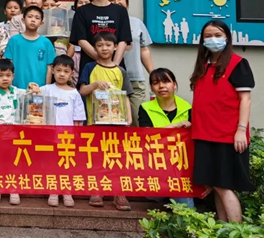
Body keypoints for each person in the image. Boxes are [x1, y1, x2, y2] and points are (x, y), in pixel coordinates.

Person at [190, 21, 254, 223]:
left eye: (217, 35)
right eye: (208, 36)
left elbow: (245, 99)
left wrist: (241, 130)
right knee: (216, 185)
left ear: (227, 37)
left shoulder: (237, 63)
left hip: (226, 135)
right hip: (204, 134)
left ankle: (237, 231)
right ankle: (223, 229)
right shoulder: (204, 65)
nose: (213, 40)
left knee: (223, 185)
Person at [78, 32, 133, 211]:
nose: (104, 48)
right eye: (100, 45)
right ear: (95, 48)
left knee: (117, 157)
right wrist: (95, 85)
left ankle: (119, 193)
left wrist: (129, 117)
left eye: (108, 45)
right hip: (95, 122)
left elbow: (125, 96)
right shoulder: (89, 67)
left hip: (117, 122)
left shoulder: (120, 71)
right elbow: (82, 91)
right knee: (96, 156)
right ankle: (97, 190)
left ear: (115, 47)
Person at [30, 55, 86, 208]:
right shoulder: (46, 89)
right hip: (49, 136)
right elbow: (32, 96)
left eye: (66, 71)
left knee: (67, 164)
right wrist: (32, 87)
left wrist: (77, 137)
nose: (62, 74)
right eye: (59, 70)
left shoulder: (74, 94)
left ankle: (67, 192)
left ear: (71, 73)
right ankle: (53, 191)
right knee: (51, 163)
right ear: (52, 70)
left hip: (67, 137)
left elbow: (78, 118)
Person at [138, 68, 194, 208]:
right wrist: (176, 126)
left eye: (166, 81)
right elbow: (148, 136)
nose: (161, 86)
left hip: (180, 166)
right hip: (155, 164)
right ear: (151, 87)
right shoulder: (145, 108)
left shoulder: (187, 108)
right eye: (156, 83)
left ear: (174, 85)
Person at [70, 0, 132, 76]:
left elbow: (123, 40)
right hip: (90, 66)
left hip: (116, 67)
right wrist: (104, 63)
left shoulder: (120, 11)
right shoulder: (81, 11)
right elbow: (81, 40)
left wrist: (114, 65)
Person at [108, 0, 154, 122]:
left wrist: (153, 73)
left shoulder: (136, 23)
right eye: (111, 0)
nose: (116, 2)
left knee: (137, 119)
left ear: (127, 2)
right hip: (110, 79)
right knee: (111, 118)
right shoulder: (104, 23)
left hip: (134, 79)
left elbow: (144, 49)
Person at [0, 59, 25, 206]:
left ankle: (13, 189)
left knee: (14, 162)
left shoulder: (16, 91)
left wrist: (33, 87)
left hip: (15, 135)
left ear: (13, 76)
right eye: (1, 75)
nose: (5, 79)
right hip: (1, 135)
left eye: (8, 75)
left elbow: (29, 92)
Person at [4, 6, 55, 89]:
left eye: (37, 18)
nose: (33, 20)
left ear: (41, 23)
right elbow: (9, 64)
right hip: (16, 87)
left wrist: (47, 89)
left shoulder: (46, 42)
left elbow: (49, 67)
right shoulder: (14, 40)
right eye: (30, 16)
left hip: (39, 88)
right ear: (23, 20)